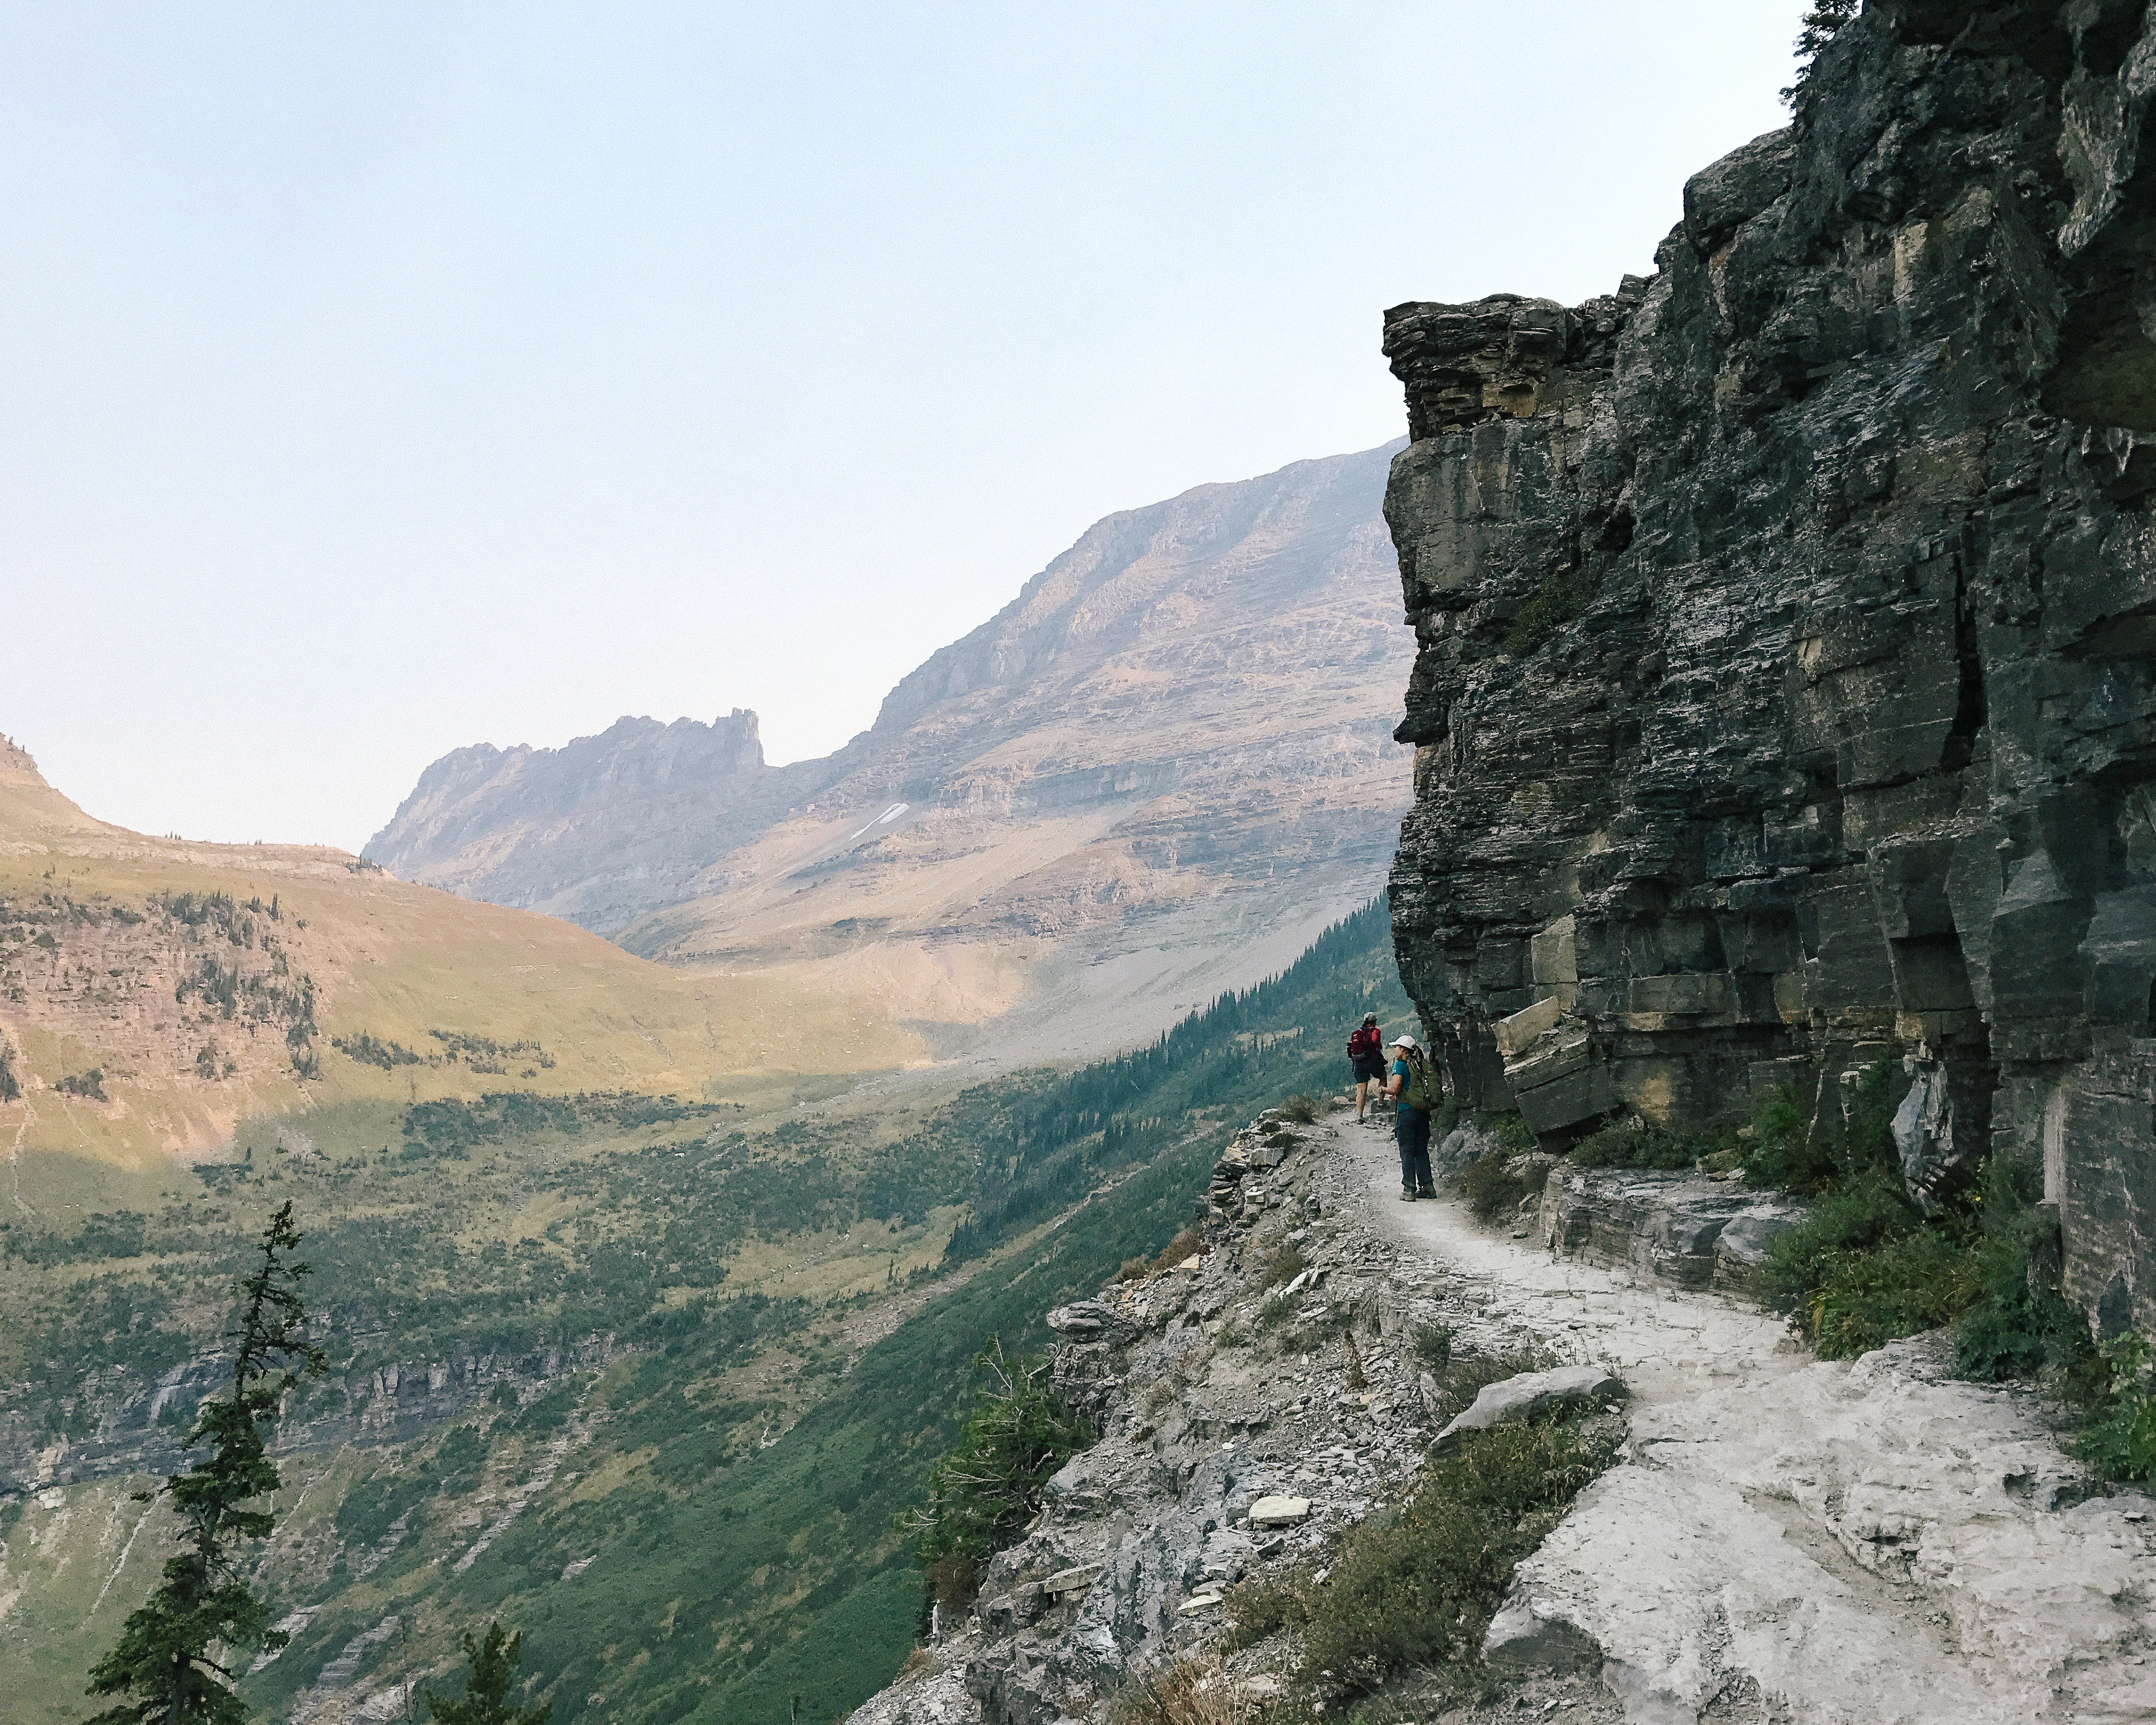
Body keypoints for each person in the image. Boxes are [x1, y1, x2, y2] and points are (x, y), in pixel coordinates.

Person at [1385, 1034, 1438, 1201]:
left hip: (1407, 1113)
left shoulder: (1400, 1065)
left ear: (1403, 1050)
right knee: (1421, 1150)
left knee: (1407, 1151)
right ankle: (1428, 1187)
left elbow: (1396, 1088)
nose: (1395, 1050)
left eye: (1397, 1047)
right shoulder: (1419, 1064)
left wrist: (1383, 1090)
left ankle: (1409, 1189)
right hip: (1423, 1112)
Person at [1347, 1013, 1387, 1124]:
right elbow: (1377, 1044)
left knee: (1361, 1090)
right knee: (1383, 1077)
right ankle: (1380, 1103)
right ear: (1374, 1022)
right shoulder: (1375, 1031)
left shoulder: (1358, 1033)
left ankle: (1360, 1116)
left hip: (1359, 1063)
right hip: (1372, 1060)